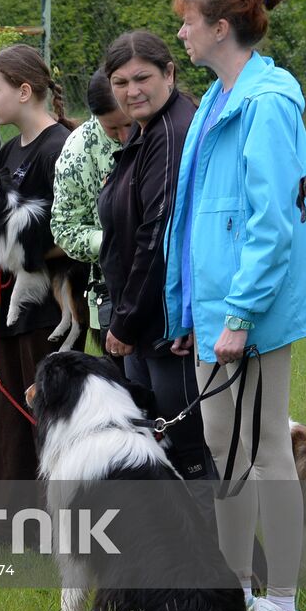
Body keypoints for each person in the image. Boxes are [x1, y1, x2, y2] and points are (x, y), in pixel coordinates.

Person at [166, 0, 306, 611]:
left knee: (267, 454)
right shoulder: (216, 100)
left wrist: (236, 317)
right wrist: (190, 313)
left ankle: (283, 607)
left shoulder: (267, 101)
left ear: (220, 28)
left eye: (188, 22)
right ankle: (236, 597)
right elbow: (198, 217)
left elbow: (273, 223)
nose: (181, 32)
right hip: (214, 318)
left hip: (251, 318)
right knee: (223, 452)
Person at [98, 30, 215, 484]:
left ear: (169, 72)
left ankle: (219, 553)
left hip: (164, 324)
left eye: (142, 78)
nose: (132, 91)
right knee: (158, 448)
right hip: (145, 321)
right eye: (120, 82)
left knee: (189, 452)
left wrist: (125, 320)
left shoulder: (171, 133)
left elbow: (158, 236)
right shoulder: (145, 132)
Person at [0, 43, 80, 483]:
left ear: (24, 91)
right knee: (8, 416)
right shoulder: (7, 152)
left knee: (46, 415)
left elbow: (68, 237)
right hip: (7, 305)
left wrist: (29, 258)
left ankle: (56, 518)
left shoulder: (58, 148)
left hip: (46, 314)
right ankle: (14, 525)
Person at [51, 69, 133, 354]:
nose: (124, 136)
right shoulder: (78, 150)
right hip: (110, 293)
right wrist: (112, 242)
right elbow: (64, 228)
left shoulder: (159, 132)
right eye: (113, 129)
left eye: (129, 125)